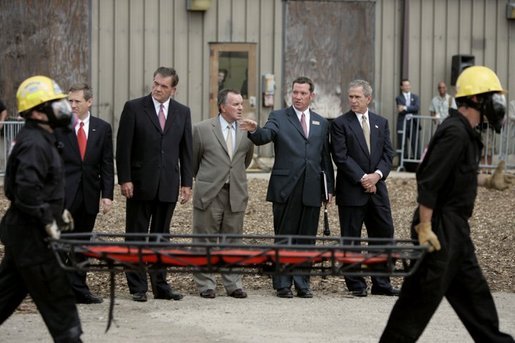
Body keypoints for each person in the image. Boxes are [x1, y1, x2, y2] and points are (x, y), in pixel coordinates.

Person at [380, 66, 514, 342]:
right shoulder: (455, 132)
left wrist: (487, 181)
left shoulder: (465, 131)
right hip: (438, 227)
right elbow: (429, 179)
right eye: (492, 97)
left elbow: (457, 174)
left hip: (455, 230)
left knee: (476, 298)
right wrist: (425, 226)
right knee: (417, 302)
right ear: (476, 100)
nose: (497, 104)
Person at [0, 76, 82, 341]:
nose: (63, 108)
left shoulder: (42, 138)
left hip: (25, 234)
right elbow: (25, 189)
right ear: (37, 111)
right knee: (59, 300)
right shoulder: (35, 143)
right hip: (33, 237)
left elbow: (34, 187)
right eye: (55, 104)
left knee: (6, 292)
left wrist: (59, 213)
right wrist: (47, 219)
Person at [240, 76, 334, 299]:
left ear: (312, 96)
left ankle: (302, 282)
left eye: (303, 93)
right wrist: (254, 131)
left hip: (312, 188)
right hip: (285, 187)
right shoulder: (279, 117)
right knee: (285, 236)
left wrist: (329, 187)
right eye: (295, 92)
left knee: (306, 239)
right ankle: (283, 283)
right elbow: (265, 135)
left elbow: (324, 158)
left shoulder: (321, 122)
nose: (298, 97)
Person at [116, 66, 193, 302]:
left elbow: (186, 150)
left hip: (168, 184)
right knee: (136, 235)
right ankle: (138, 287)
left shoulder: (182, 112)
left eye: (164, 86)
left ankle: (161, 286)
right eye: (156, 84)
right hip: (139, 184)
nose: (158, 89)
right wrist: (125, 178)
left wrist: (187, 183)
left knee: (161, 237)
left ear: (174, 90)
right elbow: (123, 147)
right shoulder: (134, 108)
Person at [330, 79, 398, 297]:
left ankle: (382, 284)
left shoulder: (381, 122)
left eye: (357, 97)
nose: (353, 100)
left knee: (383, 234)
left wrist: (376, 176)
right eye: (350, 96)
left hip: (377, 190)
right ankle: (356, 284)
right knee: (351, 238)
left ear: (368, 98)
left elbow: (388, 154)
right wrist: (363, 178)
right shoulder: (340, 124)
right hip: (352, 190)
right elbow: (340, 156)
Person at [54, 83, 114, 304]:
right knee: (60, 242)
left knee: (82, 244)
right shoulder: (59, 128)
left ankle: (79, 289)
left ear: (89, 102)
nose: (73, 105)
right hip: (63, 196)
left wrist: (107, 195)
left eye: (77, 101)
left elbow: (106, 164)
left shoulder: (102, 128)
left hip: (89, 195)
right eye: (70, 101)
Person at [192, 89, 254, 299]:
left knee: (233, 240)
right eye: (235, 104)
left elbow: (245, 160)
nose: (240, 108)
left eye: (241, 104)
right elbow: (194, 161)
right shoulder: (202, 129)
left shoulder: (247, 130)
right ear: (222, 106)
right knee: (204, 240)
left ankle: (233, 284)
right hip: (209, 193)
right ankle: (206, 284)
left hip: (235, 192)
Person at [396, 79, 421, 159]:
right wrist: (409, 108)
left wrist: (405, 107)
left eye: (408, 85)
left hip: (413, 123)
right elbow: (400, 109)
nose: (407, 87)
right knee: (402, 144)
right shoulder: (399, 98)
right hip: (403, 123)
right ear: (401, 87)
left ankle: (417, 162)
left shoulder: (415, 97)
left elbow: (416, 108)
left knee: (415, 143)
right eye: (405, 85)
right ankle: (403, 163)